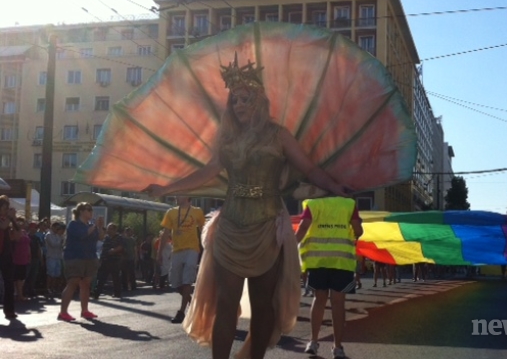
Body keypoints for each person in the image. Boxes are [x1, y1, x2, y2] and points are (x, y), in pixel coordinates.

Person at [146, 56, 350, 359]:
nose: (239, 105)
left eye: (245, 99)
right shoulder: (227, 137)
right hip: (230, 228)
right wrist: (166, 188)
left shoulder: (278, 134)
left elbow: (309, 168)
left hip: (267, 227)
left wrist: (336, 187)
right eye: (234, 100)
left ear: (259, 100)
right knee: (226, 303)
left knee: (263, 305)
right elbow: (207, 171)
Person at [295, 197, 363, 359]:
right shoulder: (349, 204)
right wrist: (355, 226)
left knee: (319, 300)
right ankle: (337, 348)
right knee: (338, 303)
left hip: (318, 260)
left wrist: (290, 246)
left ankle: (313, 342)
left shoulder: (313, 204)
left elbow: (304, 227)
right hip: (341, 261)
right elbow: (358, 231)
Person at [158, 196, 205, 324]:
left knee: (187, 281)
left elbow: (203, 231)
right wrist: (159, 253)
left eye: (179, 194)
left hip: (192, 249)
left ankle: (182, 312)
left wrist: (209, 248)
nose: (176, 197)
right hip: (177, 250)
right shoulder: (171, 212)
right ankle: (194, 304)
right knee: (175, 282)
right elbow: (166, 234)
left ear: (187, 196)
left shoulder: (197, 211)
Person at [58, 202, 105, 321]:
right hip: (75, 257)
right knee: (73, 282)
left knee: (86, 283)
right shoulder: (73, 224)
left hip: (89, 257)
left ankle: (85, 310)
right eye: (88, 210)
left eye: (91, 210)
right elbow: (82, 235)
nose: (91, 212)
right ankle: (63, 312)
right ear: (81, 212)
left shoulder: (90, 225)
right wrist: (94, 226)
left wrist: (99, 227)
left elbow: (100, 237)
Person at [0, 196, 20, 319]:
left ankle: (9, 310)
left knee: (9, 283)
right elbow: (2, 226)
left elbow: (18, 234)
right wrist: (9, 217)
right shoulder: (4, 220)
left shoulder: (7, 219)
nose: (7, 210)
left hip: (6, 254)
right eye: (5, 208)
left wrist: (14, 219)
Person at [93, 223, 124, 299]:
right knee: (101, 277)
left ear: (115, 230)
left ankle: (117, 293)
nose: (108, 230)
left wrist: (114, 250)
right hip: (105, 260)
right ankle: (97, 293)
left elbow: (121, 247)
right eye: (108, 228)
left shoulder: (119, 237)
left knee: (116, 277)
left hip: (114, 260)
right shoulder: (106, 238)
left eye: (110, 228)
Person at [45, 222, 64, 296]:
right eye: (57, 228)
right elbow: (53, 244)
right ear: (53, 227)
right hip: (51, 257)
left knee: (57, 274)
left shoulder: (58, 236)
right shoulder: (49, 235)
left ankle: (54, 288)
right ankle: (48, 288)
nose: (58, 230)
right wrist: (60, 241)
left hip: (58, 257)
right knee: (50, 273)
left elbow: (62, 245)